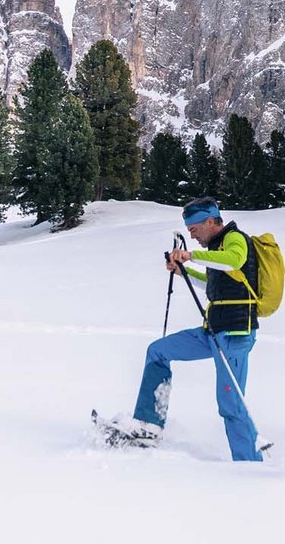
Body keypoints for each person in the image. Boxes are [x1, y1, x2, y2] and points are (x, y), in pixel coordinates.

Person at [106, 197, 264, 461]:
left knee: (231, 403)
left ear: (210, 221)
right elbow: (212, 284)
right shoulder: (216, 248)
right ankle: (148, 426)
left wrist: (191, 256)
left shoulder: (235, 239)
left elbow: (234, 261)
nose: (192, 235)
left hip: (235, 335)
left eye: (194, 229)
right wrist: (182, 272)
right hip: (212, 332)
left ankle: (249, 464)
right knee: (158, 351)